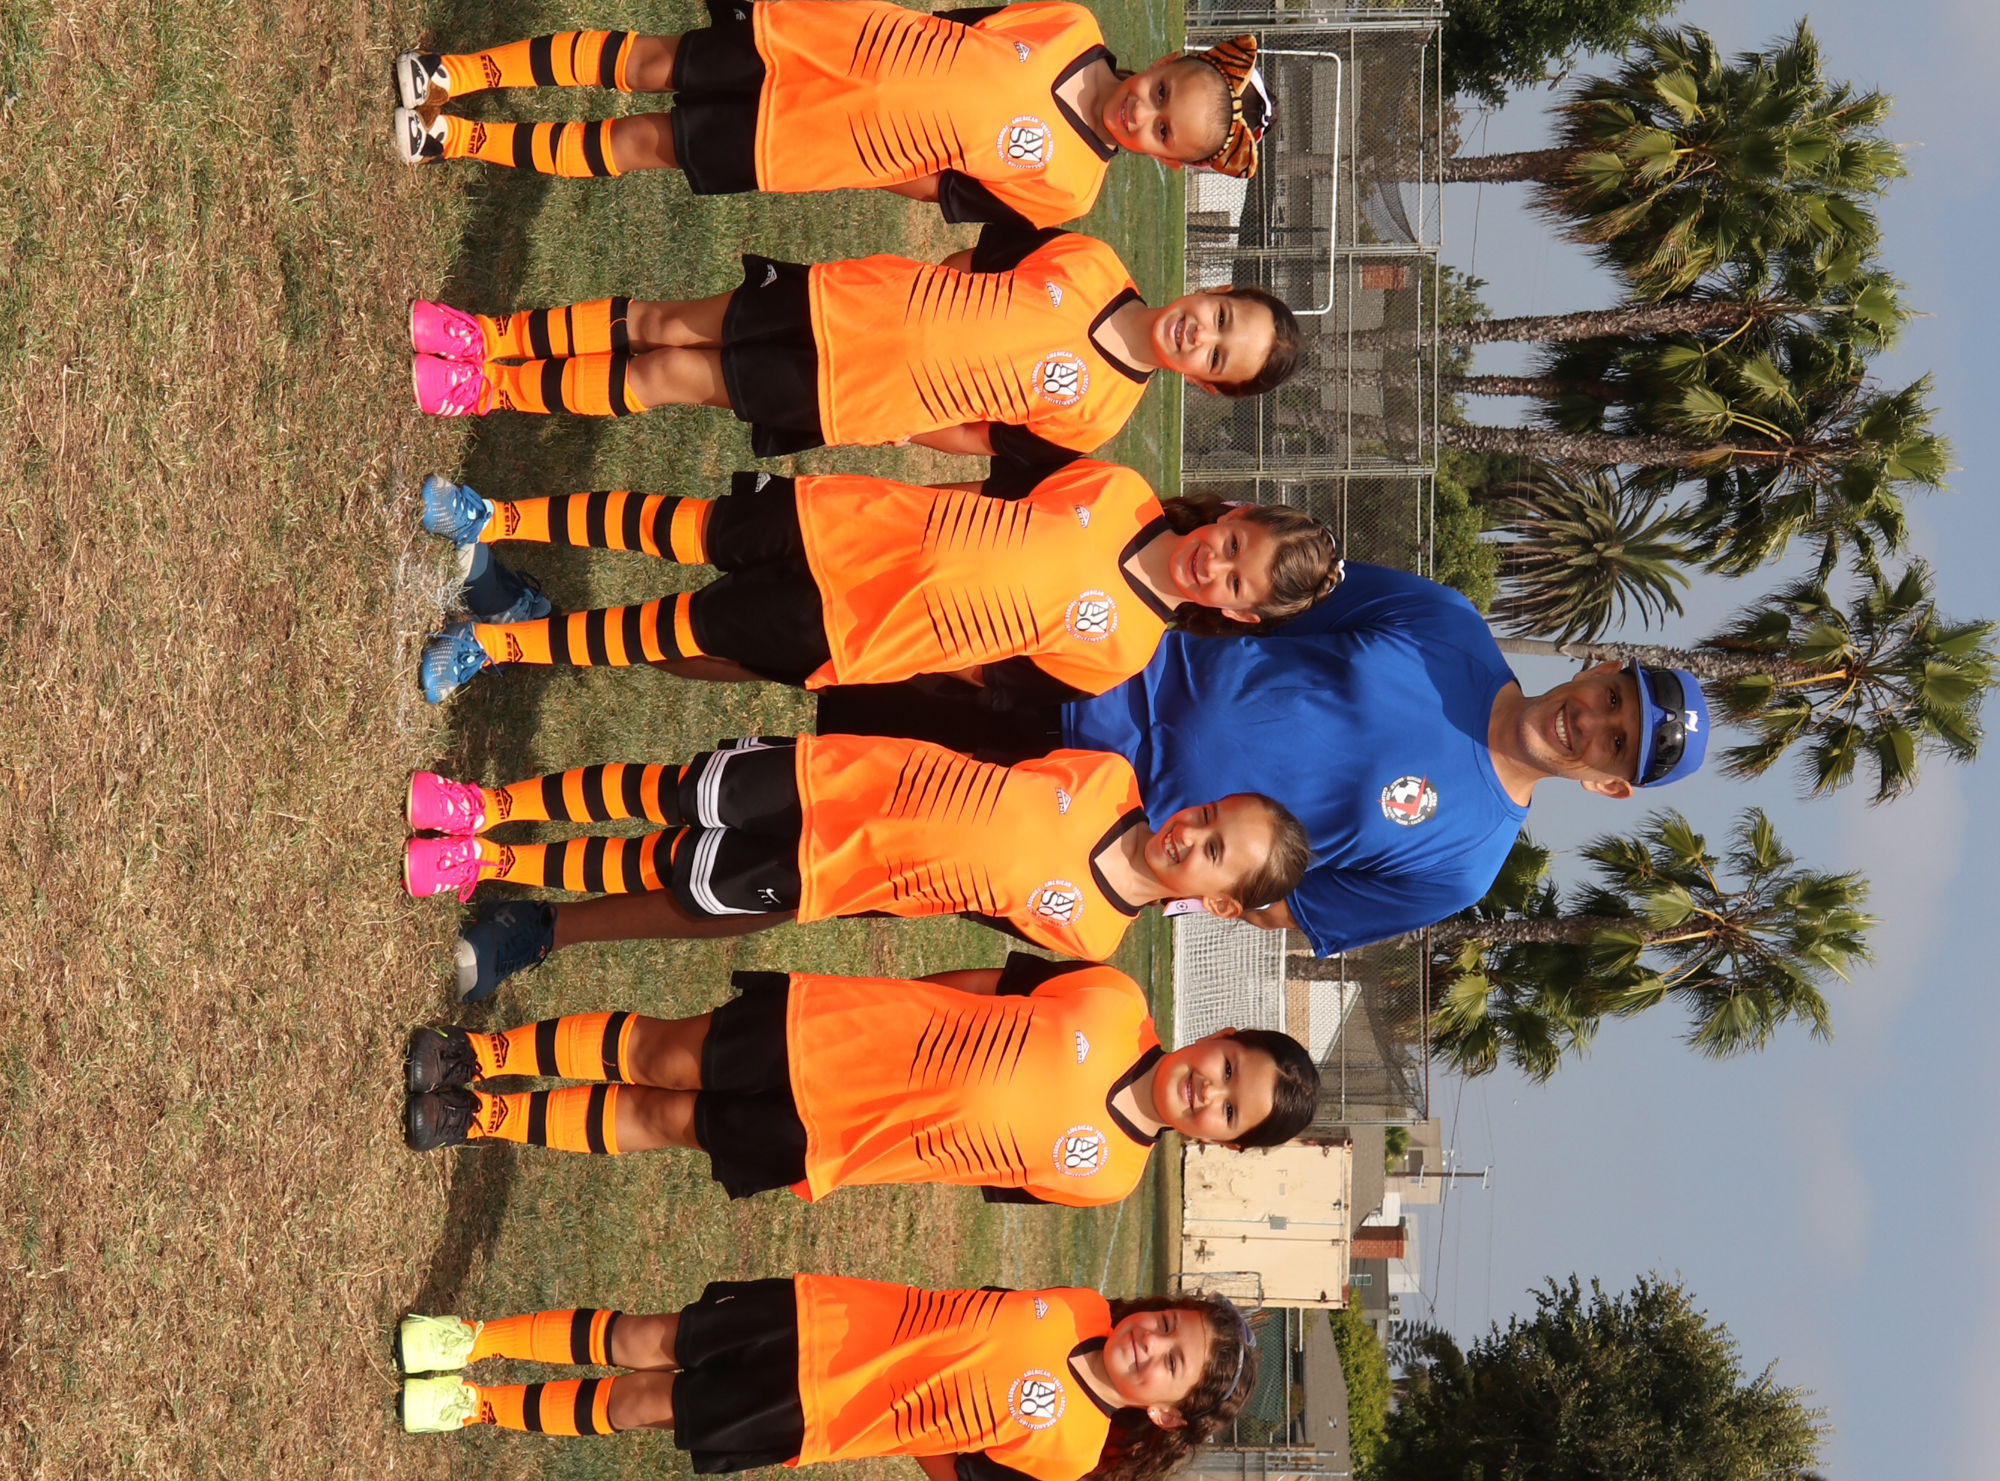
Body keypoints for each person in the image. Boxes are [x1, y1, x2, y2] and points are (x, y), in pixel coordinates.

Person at [813, 561, 1716, 957]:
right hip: (1091, 672)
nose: (1592, 721)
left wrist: (1167, 863)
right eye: (1612, 697)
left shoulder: (1462, 867)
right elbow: (1272, 596)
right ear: (1597, 668)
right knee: (840, 646)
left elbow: (1286, 909)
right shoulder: (1448, 624)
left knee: (866, 841)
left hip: (1085, 832)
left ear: (1609, 784)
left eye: (1617, 742)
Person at [412, 461, 1340, 710]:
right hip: (854, 523)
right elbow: (990, 496)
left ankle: (493, 646)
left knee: (673, 632)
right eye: (1233, 543)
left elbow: (984, 672)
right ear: (1231, 514)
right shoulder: (1119, 490)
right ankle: (496, 518)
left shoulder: (1123, 654)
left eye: (1235, 581)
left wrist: (889, 647)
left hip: (852, 628)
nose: (1214, 563)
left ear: (1236, 613)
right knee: (679, 526)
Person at [399, 952, 1321, 1201]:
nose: (1209, 1090)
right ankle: (481, 1058)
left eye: (1229, 1112)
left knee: (668, 1121)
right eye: (1227, 1068)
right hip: (836, 1034)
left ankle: (480, 1120)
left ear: (1222, 1141)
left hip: (840, 1141)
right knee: (663, 1055)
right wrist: (887, 1007)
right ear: (1220, 1034)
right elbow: (982, 986)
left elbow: (976, 1168)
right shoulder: (1114, 997)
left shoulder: (1108, 1180)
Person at [403, 735, 1311, 981]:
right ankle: (488, 810)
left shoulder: (1094, 938)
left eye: (1212, 851)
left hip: (837, 873)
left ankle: (491, 870)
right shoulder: (1107, 777)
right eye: (1206, 814)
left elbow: (968, 902)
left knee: (672, 875)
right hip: (835, 777)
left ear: (1218, 903)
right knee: (670, 794)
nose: (1189, 831)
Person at [391, 0, 1272, 228]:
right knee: (654, 60)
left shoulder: (1070, 189)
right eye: (1163, 92)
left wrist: (855, 151)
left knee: (648, 140)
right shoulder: (1072, 27)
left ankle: (456, 136)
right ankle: (457, 72)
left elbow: (941, 190)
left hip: (811, 143)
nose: (1143, 113)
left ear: (1166, 162)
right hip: (828, 47)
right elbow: (958, 24)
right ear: (1165, 61)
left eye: (1163, 133)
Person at [393, 1281, 1255, 1481]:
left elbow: (958, 1479)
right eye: (1166, 1324)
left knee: (645, 1404)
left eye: (1169, 1362)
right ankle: (474, 1340)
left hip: (819, 1417)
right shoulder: (1079, 1307)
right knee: (649, 1338)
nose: (1150, 1342)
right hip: (821, 1315)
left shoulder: (1070, 1452)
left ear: (1164, 1412)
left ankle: (476, 1406)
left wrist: (913, 1416)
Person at [406, 225, 1299, 443]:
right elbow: (974, 263)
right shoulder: (1092, 260)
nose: (1201, 334)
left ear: (1205, 383)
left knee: (673, 374)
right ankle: (489, 333)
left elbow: (980, 436)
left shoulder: (1100, 416)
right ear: (1215, 289)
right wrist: (916, 303)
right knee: (666, 321)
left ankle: (490, 388)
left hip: (851, 399)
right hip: (847, 303)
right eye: (1222, 317)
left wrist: (904, 419)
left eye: (1217, 357)